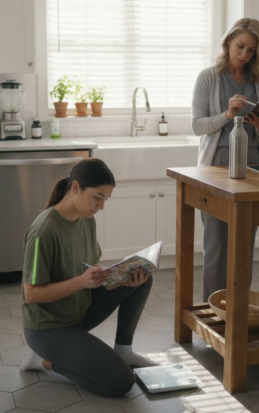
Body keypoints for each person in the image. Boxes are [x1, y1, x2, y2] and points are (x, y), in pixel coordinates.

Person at [20, 158, 157, 397]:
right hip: (48, 328)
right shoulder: (43, 231)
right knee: (121, 382)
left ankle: (124, 350)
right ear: (75, 188)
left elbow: (89, 268)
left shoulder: (87, 220)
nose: (101, 206)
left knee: (142, 277)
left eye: (105, 199)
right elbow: (31, 295)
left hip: (79, 312)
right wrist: (82, 282)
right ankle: (43, 360)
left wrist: (119, 278)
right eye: (97, 197)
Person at [191, 17, 259, 301]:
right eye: (240, 46)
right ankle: (213, 312)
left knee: (243, 245)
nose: (244, 54)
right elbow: (197, 125)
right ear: (228, 41)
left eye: (251, 50)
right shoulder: (208, 77)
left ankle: (239, 308)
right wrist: (227, 115)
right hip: (216, 166)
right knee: (216, 245)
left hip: (253, 166)